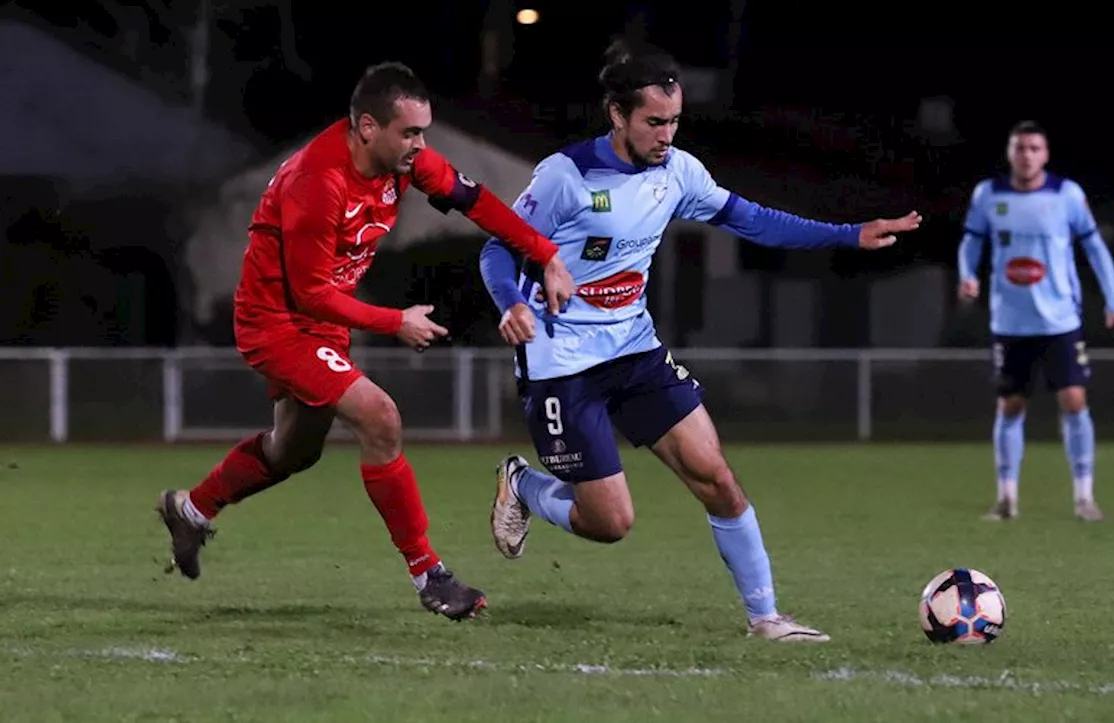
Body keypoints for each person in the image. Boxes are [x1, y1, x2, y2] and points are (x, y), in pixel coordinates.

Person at [478, 40, 922, 642]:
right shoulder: (567, 177)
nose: (666, 135)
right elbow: (498, 247)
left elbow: (750, 218)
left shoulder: (678, 172)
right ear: (617, 115)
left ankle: (766, 619)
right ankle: (523, 483)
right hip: (560, 360)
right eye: (654, 122)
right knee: (610, 523)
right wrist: (510, 304)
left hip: (633, 348)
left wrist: (847, 234)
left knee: (716, 476)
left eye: (675, 121)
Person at [155, 61, 575, 621]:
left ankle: (192, 509)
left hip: (322, 321)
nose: (420, 146)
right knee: (381, 418)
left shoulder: (404, 163)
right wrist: (392, 321)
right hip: (276, 322)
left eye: (423, 132)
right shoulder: (318, 181)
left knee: (291, 453)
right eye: (410, 133)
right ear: (368, 127)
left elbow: (477, 202)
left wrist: (545, 253)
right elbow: (308, 294)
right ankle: (431, 575)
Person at [957, 120, 1114, 523]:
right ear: (1010, 153)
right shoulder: (988, 195)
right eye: (1020, 148)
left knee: (1073, 400)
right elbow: (970, 241)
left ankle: (1085, 497)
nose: (1027, 155)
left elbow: (1096, 250)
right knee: (1011, 405)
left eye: (1034, 148)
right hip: (1010, 321)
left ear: (1045, 154)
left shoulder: (1066, 195)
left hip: (1059, 319)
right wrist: (967, 274)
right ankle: (1006, 499)